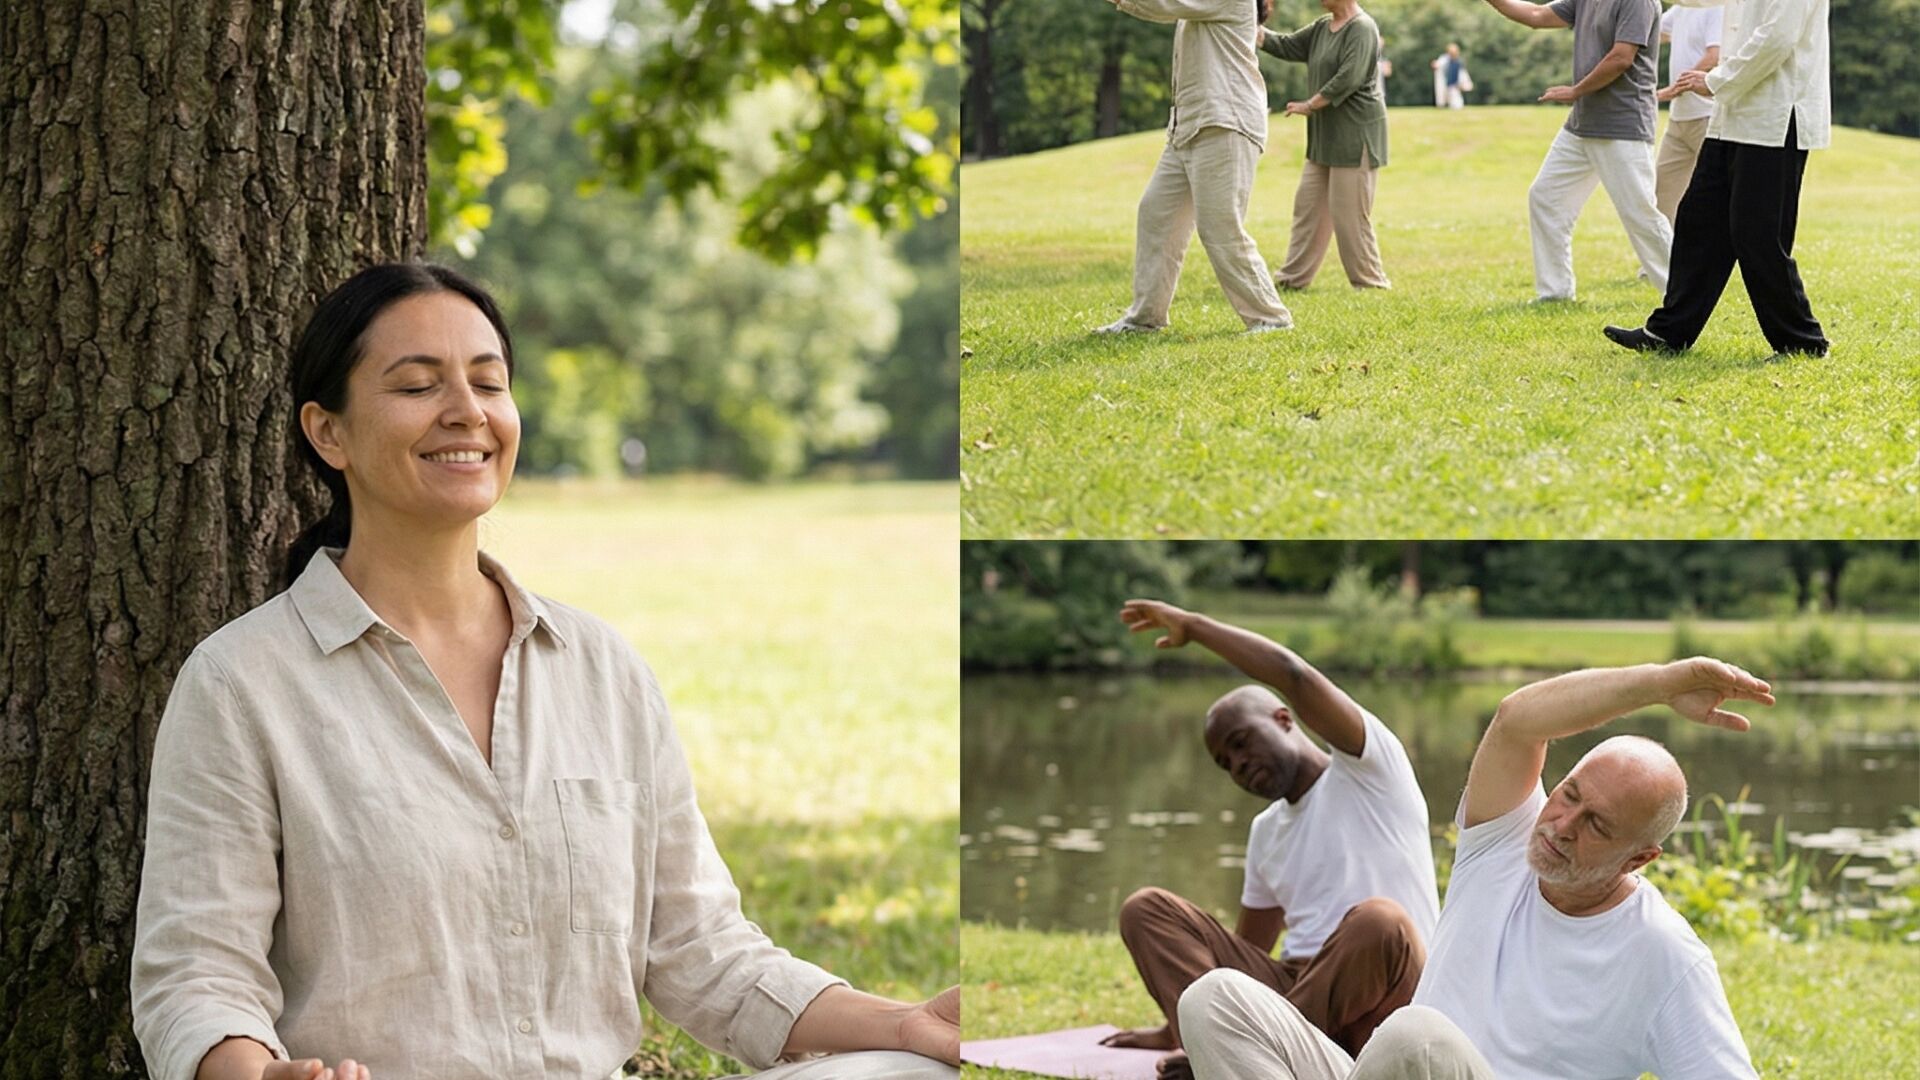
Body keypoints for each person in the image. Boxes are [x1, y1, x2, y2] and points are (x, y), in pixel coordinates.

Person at [129, 263, 960, 1080]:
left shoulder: (603, 670)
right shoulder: (241, 684)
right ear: (328, 432)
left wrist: (905, 1023)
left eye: (488, 384)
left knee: (913, 1073)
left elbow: (703, 952)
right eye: (418, 386)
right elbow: (198, 980)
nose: (466, 413)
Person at [1176, 657, 1768, 1079]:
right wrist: (1665, 683)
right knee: (1216, 998)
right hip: (1390, 1071)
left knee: (1416, 1036)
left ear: (1638, 858)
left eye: (1597, 826)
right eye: (1568, 795)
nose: (1561, 826)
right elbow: (1517, 720)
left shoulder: (1665, 954)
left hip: (1415, 1057)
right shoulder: (1505, 841)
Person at [1099, 600, 1439, 1080]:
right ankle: (1208, 1038)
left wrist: (1196, 627)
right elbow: (1238, 958)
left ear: (1283, 719)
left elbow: (1293, 675)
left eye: (1240, 743)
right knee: (1147, 909)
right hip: (1304, 987)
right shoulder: (1267, 831)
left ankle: (1228, 1051)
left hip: (1388, 990)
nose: (1236, 765)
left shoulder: (1369, 770)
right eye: (1224, 763)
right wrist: (1175, 1016)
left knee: (1380, 920)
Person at [1604, 0, 1831, 359]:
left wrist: (1716, 80)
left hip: (1775, 117)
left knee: (1758, 234)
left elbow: (1777, 39)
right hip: (1730, 118)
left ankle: (1803, 341)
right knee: (1699, 223)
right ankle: (1668, 333)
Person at [1093, 0, 1295, 335]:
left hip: (1225, 120)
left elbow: (1163, 4)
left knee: (1220, 225)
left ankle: (1271, 318)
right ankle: (1145, 318)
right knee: (1156, 213)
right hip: (1189, 123)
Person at [1483, 0, 1671, 301]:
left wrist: (1574, 91)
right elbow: (1537, 15)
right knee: (1546, 197)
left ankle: (1683, 296)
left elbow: (1621, 58)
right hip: (1582, 125)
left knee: (1640, 214)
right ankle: (1555, 291)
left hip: (1623, 124)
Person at [1259, 0, 1394, 290]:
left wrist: (1311, 104)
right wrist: (1247, 26)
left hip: (1355, 135)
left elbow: (1349, 78)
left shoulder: (1362, 28)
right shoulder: (1323, 26)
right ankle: (1292, 280)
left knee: (1349, 217)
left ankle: (1370, 283)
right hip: (1324, 137)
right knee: (1308, 208)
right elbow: (1287, 45)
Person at [1653, 3, 1724, 223]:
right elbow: (1653, 32)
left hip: (1707, 117)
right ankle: (1666, 256)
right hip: (1679, 119)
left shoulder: (1717, 8)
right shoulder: (1682, 8)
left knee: (1714, 196)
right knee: (1662, 193)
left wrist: (1676, 88)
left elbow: (1715, 55)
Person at [1429, 44, 1468, 108]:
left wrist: (1462, 84)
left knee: (1456, 102)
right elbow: (1437, 65)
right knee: (1441, 99)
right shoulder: (1444, 59)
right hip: (1444, 83)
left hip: (1454, 85)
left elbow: (1462, 74)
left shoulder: (1459, 62)